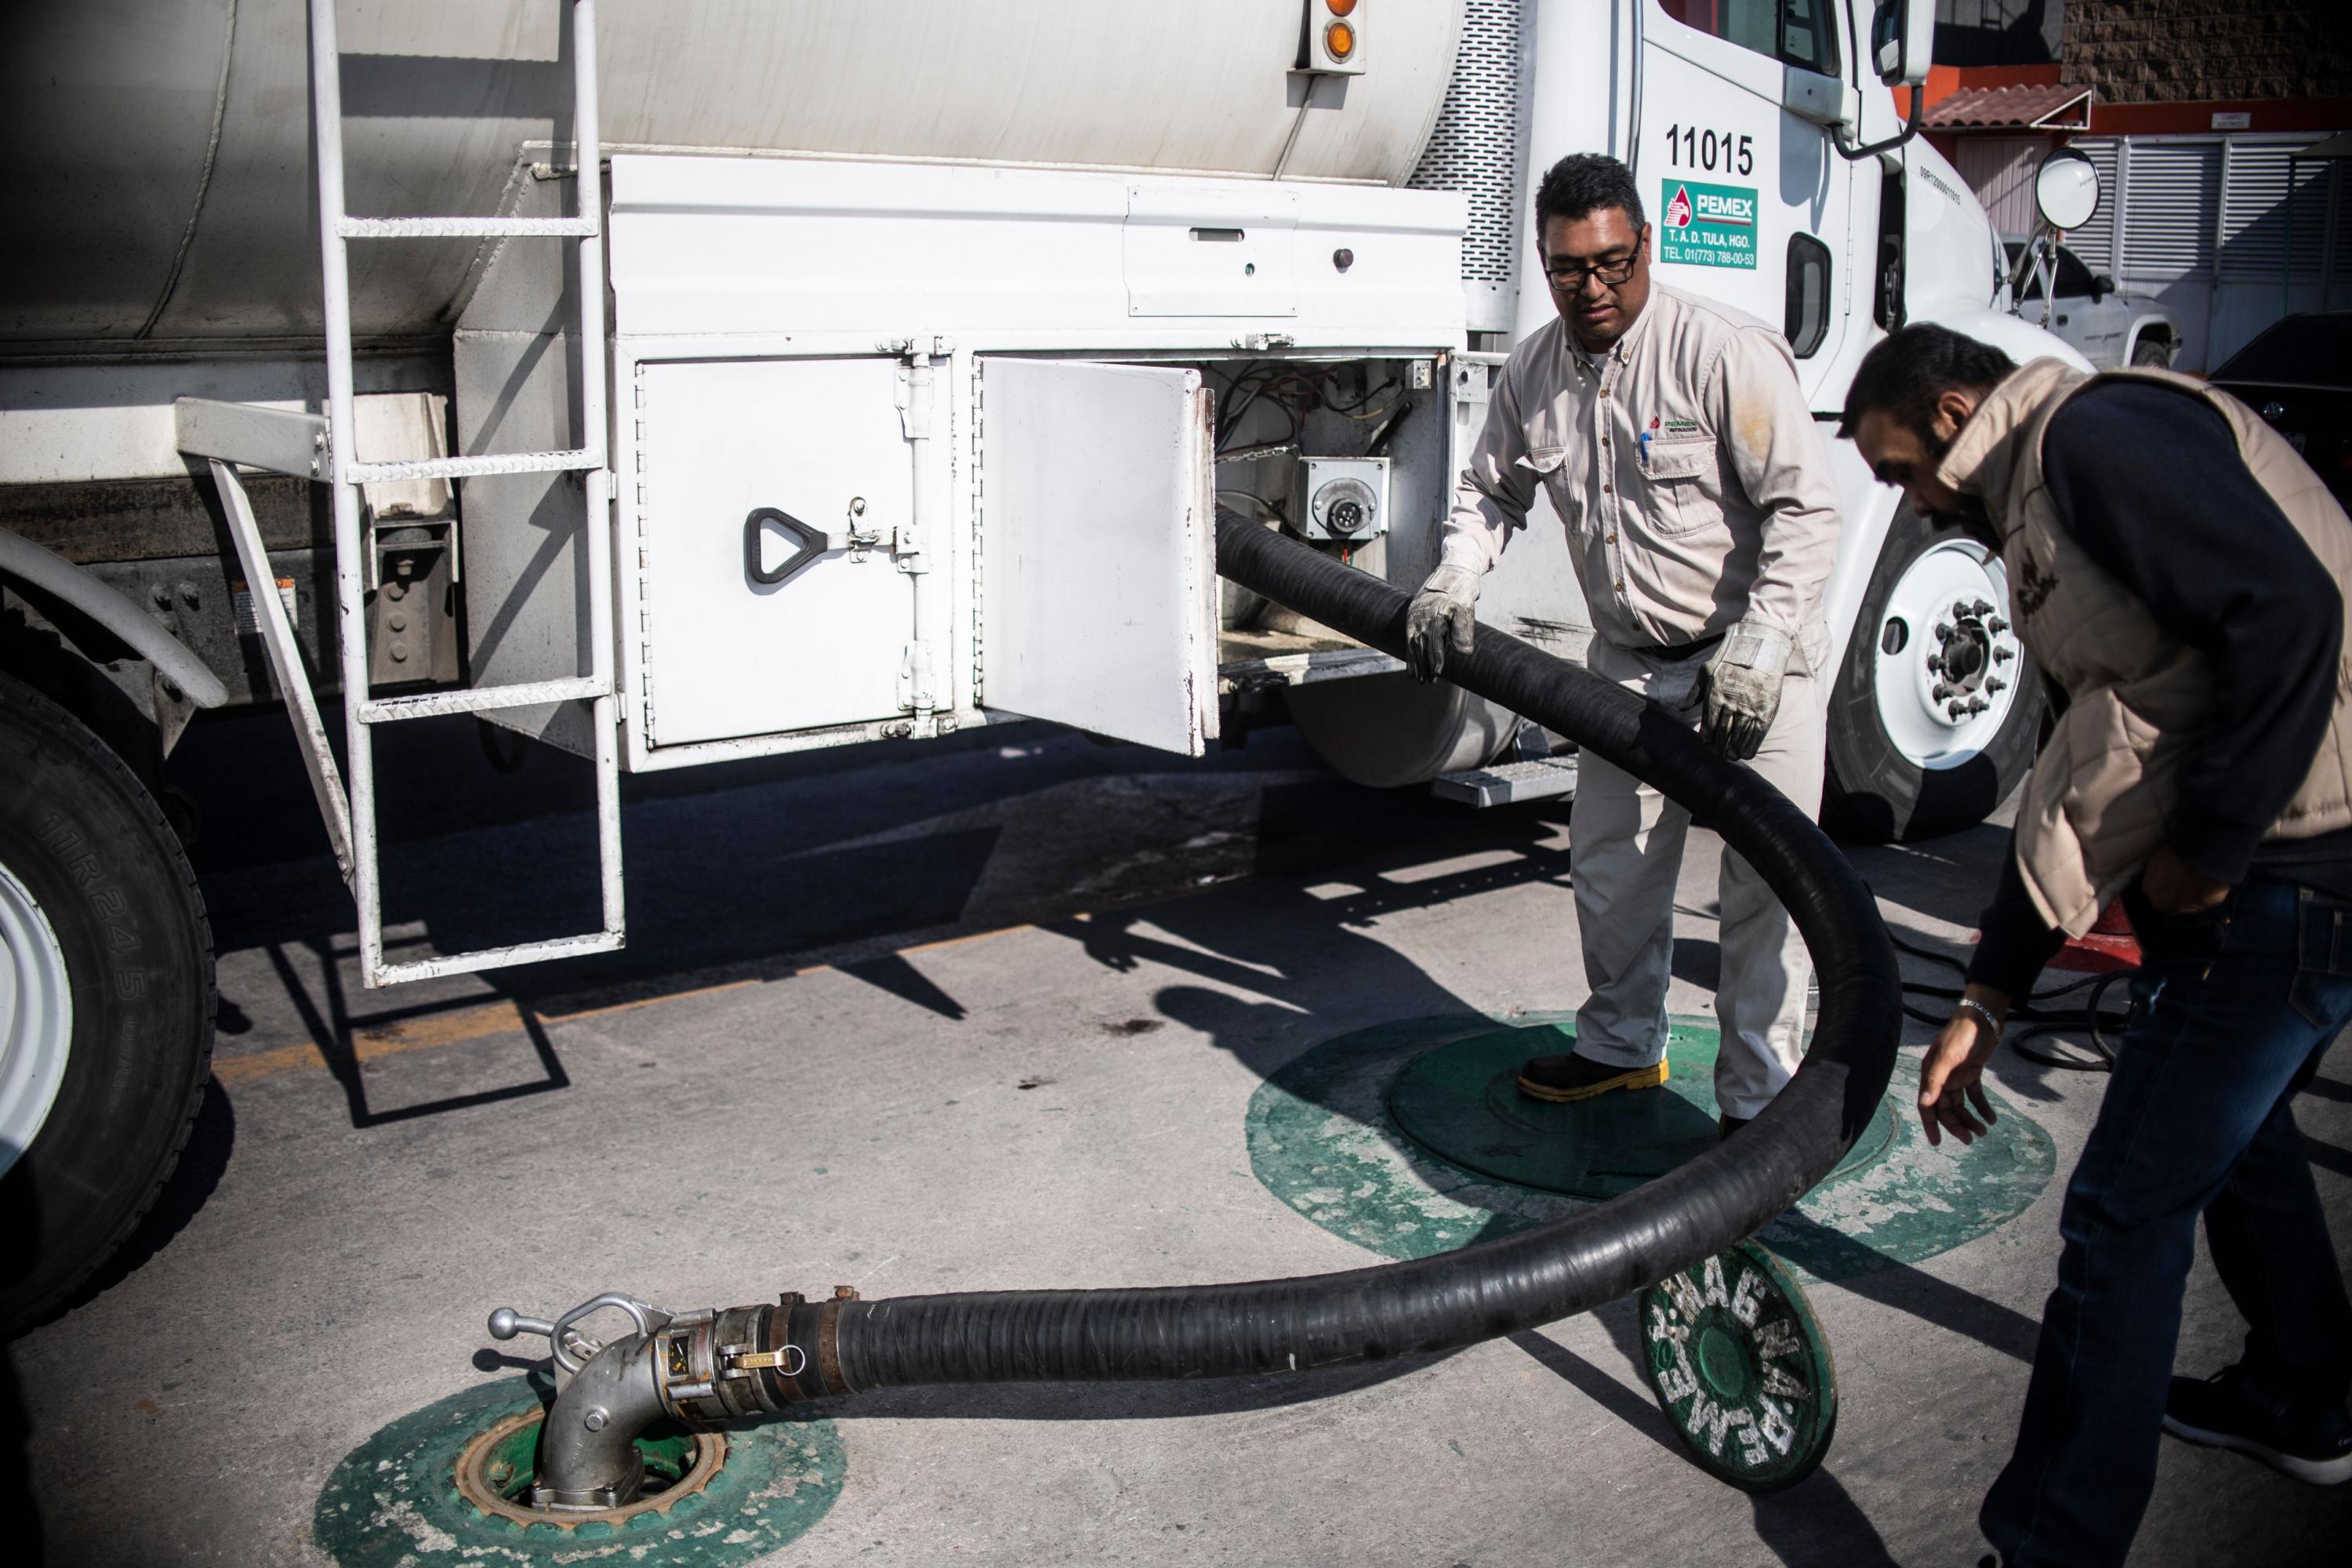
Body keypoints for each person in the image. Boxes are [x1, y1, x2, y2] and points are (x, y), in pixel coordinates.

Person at [1843, 322, 2352, 1567]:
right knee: (2239, 1143)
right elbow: (2086, 769)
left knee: (2122, 1215)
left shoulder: (2097, 441)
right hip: (2275, 884)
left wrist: (2210, 855)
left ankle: (2050, 1546)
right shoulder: (2045, 504)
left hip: (2286, 883)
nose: (1907, 509)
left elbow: (2292, 615)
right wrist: (1992, 992)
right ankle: (2307, 1396)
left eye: (1901, 471)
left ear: (1956, 414)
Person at [1406, 153, 1842, 1136]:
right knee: (1612, 868)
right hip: (1633, 668)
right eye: (1569, 270)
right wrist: (1458, 573)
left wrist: (1765, 643)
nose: (1592, 289)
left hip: (1754, 662)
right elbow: (1490, 490)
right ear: (1544, 259)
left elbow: (1806, 512)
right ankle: (1617, 1049)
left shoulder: (1724, 351)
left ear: (1647, 243)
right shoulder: (1535, 369)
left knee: (1767, 893)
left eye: (1612, 263)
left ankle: (1758, 1106)